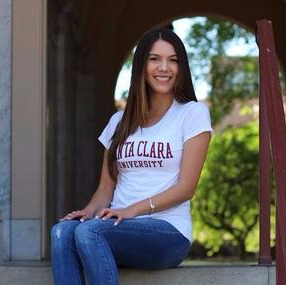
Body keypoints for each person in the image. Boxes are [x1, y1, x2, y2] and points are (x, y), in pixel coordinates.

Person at [50, 27, 212, 285]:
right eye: (154, 59)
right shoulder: (119, 122)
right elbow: (106, 188)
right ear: (141, 66)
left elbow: (186, 189)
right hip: (114, 226)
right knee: (62, 232)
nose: (164, 68)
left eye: (173, 60)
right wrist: (88, 210)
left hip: (167, 232)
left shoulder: (192, 114)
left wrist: (131, 211)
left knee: (90, 232)